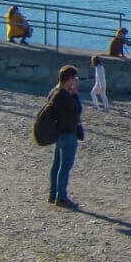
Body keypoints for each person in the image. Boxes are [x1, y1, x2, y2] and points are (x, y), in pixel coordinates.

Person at [46, 66, 84, 208]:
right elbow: (77, 110)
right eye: (74, 78)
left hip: (58, 133)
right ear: (69, 79)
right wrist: (75, 94)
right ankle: (61, 197)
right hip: (68, 133)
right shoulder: (64, 95)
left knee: (56, 164)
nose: (75, 81)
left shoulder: (53, 92)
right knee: (65, 166)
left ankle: (53, 194)